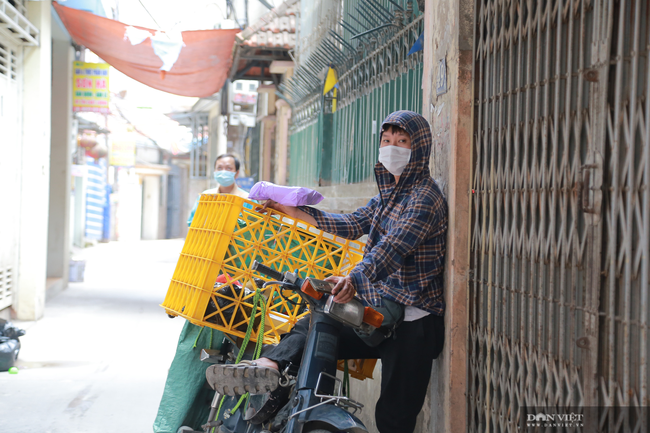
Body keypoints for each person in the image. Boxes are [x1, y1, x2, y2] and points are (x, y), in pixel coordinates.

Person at [247, 110, 448, 433]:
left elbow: (391, 250)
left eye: (402, 141)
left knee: (394, 418)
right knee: (318, 322)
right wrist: (291, 211)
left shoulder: (425, 198)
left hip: (414, 325)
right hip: (378, 313)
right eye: (386, 141)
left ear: (419, 148)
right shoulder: (387, 197)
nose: (391, 148)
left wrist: (354, 279)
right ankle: (270, 366)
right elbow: (351, 224)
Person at [187, 154, 250, 226]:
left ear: (237, 173)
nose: (223, 171)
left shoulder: (246, 199)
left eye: (229, 168)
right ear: (214, 171)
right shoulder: (206, 196)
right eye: (219, 168)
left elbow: (254, 227)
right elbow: (192, 222)